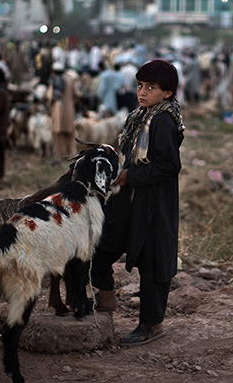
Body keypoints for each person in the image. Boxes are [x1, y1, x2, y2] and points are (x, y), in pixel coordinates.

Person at [92, 59, 185, 346]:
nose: (142, 92)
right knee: (104, 242)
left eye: (151, 87)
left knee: (153, 260)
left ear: (167, 93)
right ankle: (106, 297)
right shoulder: (139, 116)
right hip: (131, 198)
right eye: (140, 86)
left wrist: (131, 175)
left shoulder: (162, 121)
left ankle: (151, 324)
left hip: (154, 202)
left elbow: (169, 165)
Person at [47, 61, 78, 158]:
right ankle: (71, 154)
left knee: (58, 135)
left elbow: (50, 96)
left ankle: (59, 155)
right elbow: (77, 95)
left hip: (58, 112)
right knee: (70, 134)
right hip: (69, 111)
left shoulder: (54, 82)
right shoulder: (70, 81)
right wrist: (72, 103)